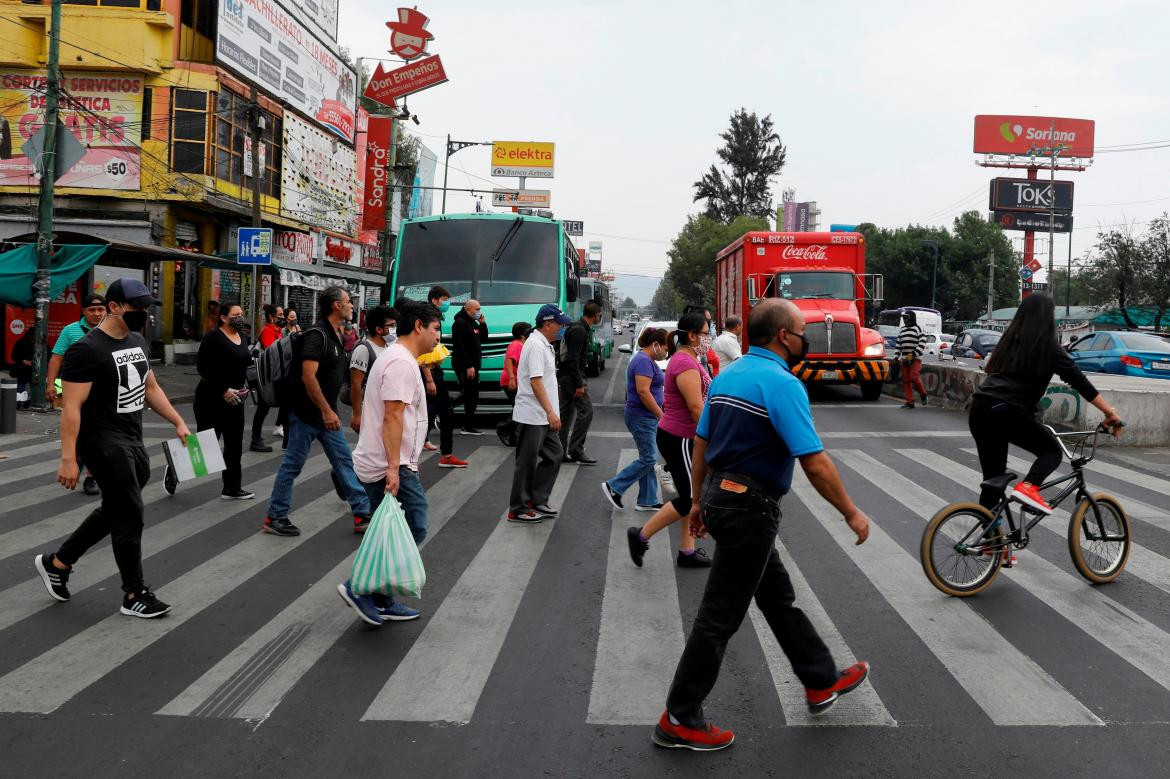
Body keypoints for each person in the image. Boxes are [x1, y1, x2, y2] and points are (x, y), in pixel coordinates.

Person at [652, 298, 872, 752]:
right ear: (782, 337)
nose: (804, 337)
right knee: (718, 618)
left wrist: (697, 502)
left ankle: (819, 679)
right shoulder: (782, 383)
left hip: (722, 498)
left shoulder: (729, 375)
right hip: (750, 508)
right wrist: (850, 510)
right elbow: (814, 461)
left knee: (777, 597)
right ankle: (680, 716)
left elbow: (702, 442)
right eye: (799, 329)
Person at [34, 278, 191, 619]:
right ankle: (134, 593)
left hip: (132, 436)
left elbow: (150, 387)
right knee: (130, 515)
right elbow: (71, 407)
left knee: (117, 508)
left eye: (147, 307)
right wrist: (68, 458)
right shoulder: (86, 349)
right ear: (115, 307)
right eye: (138, 307)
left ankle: (58, 562)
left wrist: (177, 421)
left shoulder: (136, 341)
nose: (144, 314)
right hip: (102, 442)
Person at [338, 299, 441, 625]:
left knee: (389, 531)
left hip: (387, 461)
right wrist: (395, 469)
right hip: (386, 464)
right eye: (436, 328)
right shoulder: (399, 363)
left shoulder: (401, 358)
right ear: (419, 327)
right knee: (416, 523)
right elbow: (393, 417)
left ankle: (380, 597)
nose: (439, 336)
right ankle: (360, 588)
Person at [971, 294, 1123, 514]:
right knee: (1050, 451)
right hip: (1006, 410)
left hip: (980, 409)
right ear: (1047, 318)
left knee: (993, 481)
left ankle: (990, 543)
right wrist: (1109, 412)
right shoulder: (1047, 347)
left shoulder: (1008, 342)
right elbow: (1078, 380)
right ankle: (1030, 487)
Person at [262, 286, 371, 536]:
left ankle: (362, 513)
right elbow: (308, 376)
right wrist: (326, 410)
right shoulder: (317, 335)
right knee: (292, 465)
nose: (352, 305)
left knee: (344, 460)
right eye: (348, 301)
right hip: (307, 414)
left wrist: (328, 411)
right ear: (336, 305)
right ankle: (275, 516)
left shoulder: (335, 334)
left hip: (324, 415)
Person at [626, 311, 712, 569]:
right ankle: (640, 535)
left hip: (680, 436)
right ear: (693, 335)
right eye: (706, 333)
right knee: (688, 499)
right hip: (682, 437)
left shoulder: (690, 359)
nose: (709, 338)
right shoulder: (685, 363)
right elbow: (696, 407)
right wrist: (714, 438)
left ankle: (687, 551)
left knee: (692, 494)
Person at [507, 304, 571, 523]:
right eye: (560, 324)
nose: (562, 328)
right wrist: (551, 412)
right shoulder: (535, 345)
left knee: (555, 455)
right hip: (533, 415)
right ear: (548, 324)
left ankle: (536, 498)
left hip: (544, 415)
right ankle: (518, 508)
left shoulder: (544, 344)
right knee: (526, 462)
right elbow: (535, 382)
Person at [192, 301, 254, 500]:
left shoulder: (242, 337)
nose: (240, 318)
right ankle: (175, 471)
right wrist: (223, 389)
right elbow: (203, 368)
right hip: (211, 399)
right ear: (224, 318)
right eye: (235, 314)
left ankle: (232, 488)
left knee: (234, 445)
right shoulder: (213, 338)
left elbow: (245, 364)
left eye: (241, 314)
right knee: (205, 445)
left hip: (235, 401)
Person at [601, 327, 667, 513]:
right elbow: (643, 392)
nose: (666, 352)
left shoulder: (647, 360)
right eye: (665, 348)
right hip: (641, 417)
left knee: (648, 457)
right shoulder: (643, 361)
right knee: (648, 458)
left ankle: (647, 499)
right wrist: (661, 415)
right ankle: (615, 486)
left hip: (646, 417)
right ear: (655, 345)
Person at [421, 285, 468, 468]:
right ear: (434, 300)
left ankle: (445, 454)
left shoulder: (435, 317)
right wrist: (429, 378)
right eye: (444, 300)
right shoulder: (426, 318)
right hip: (430, 372)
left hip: (434, 371)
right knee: (442, 412)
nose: (447, 303)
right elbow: (422, 351)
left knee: (438, 411)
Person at [558, 300, 602, 464]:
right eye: (600, 315)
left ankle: (560, 451)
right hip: (572, 378)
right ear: (596, 315)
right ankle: (576, 450)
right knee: (586, 412)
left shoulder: (577, 327)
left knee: (565, 415)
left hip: (566, 376)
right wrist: (579, 384)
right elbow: (572, 360)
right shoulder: (579, 331)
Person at [46, 294, 106, 409]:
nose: (97, 314)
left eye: (101, 309)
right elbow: (56, 359)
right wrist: (50, 385)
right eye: (92, 310)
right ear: (84, 311)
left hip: (104, 387)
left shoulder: (112, 330)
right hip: (75, 386)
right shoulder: (70, 330)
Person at [348, 305, 397, 433]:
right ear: (379, 329)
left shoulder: (390, 347)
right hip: (368, 411)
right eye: (391, 326)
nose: (394, 329)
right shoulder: (363, 349)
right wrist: (357, 415)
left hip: (384, 409)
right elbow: (355, 384)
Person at [249, 304, 285, 451]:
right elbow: (273, 354)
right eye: (280, 314)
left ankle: (285, 436)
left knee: (284, 403)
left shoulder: (278, 331)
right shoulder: (268, 331)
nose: (282, 317)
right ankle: (255, 439)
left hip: (273, 374)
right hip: (265, 376)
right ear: (272, 317)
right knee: (263, 407)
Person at [451, 298, 488, 436]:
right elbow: (460, 346)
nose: (479, 311)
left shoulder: (473, 322)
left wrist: (483, 323)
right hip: (464, 365)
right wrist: (468, 365)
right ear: (468, 308)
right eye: (477, 309)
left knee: (471, 394)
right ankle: (446, 408)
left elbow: (483, 338)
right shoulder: (460, 323)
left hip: (473, 364)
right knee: (469, 394)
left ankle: (466, 424)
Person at [496, 321, 531, 447]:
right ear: (523, 334)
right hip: (511, 381)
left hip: (517, 381)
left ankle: (512, 436)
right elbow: (509, 361)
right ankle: (504, 427)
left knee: (519, 407)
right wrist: (511, 378)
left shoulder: (522, 344)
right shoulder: (516, 345)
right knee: (521, 407)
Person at [897, 310, 927, 409]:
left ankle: (923, 394)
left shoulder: (918, 329)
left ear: (912, 318)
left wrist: (912, 355)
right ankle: (910, 401)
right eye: (904, 318)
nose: (905, 320)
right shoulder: (902, 330)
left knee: (914, 377)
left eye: (907, 318)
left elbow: (922, 343)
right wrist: (896, 356)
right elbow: (898, 345)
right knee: (906, 380)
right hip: (904, 359)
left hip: (915, 358)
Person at [10, 327, 35, 409]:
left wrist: (23, 361)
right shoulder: (40, 344)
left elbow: (14, 356)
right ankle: (28, 402)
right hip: (26, 369)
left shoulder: (21, 342)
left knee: (21, 387)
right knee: (32, 387)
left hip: (23, 369)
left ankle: (21, 402)